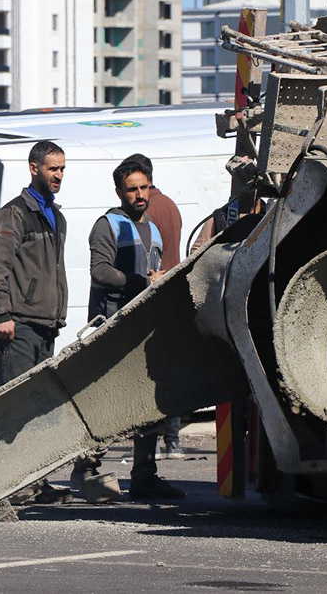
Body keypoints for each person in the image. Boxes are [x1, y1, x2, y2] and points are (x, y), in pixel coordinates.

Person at [81, 158, 184, 500]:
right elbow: (100, 271)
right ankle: (86, 471)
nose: (139, 195)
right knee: (105, 404)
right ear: (119, 192)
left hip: (142, 328)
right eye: (132, 189)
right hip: (111, 327)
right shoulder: (108, 225)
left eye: (144, 188)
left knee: (146, 404)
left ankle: (144, 476)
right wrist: (142, 282)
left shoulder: (152, 228)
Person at [0, 140, 71, 505]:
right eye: (53, 169)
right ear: (34, 168)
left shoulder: (54, 215)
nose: (59, 176)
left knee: (39, 409)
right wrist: (2, 313)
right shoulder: (14, 214)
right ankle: (11, 483)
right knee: (15, 407)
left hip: (46, 325)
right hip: (20, 325)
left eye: (62, 169)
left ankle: (35, 481)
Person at [122, 154, 184, 461]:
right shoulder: (171, 204)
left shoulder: (148, 212)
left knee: (147, 376)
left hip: (153, 291)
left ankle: (153, 445)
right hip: (171, 291)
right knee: (168, 372)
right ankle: (172, 441)